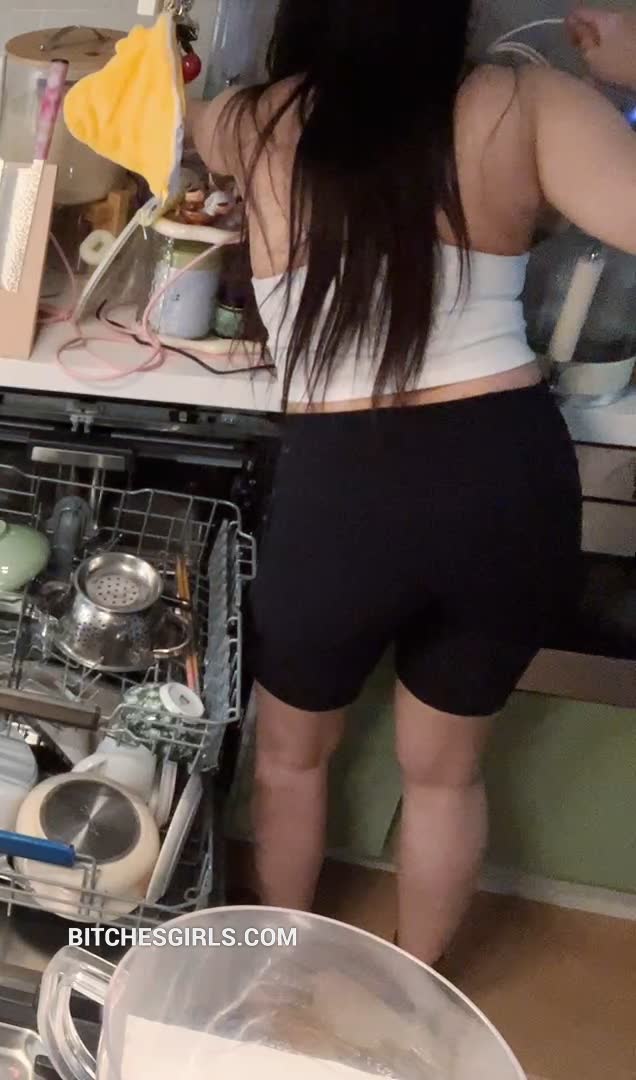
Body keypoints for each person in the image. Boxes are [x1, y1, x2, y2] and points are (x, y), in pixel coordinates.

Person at [187, 4, 636, 963]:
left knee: (290, 759)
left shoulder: (252, 118)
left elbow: (170, 121)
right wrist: (630, 73)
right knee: (445, 777)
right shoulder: (529, 99)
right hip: (505, 472)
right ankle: (417, 992)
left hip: (348, 486)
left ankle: (273, 970)